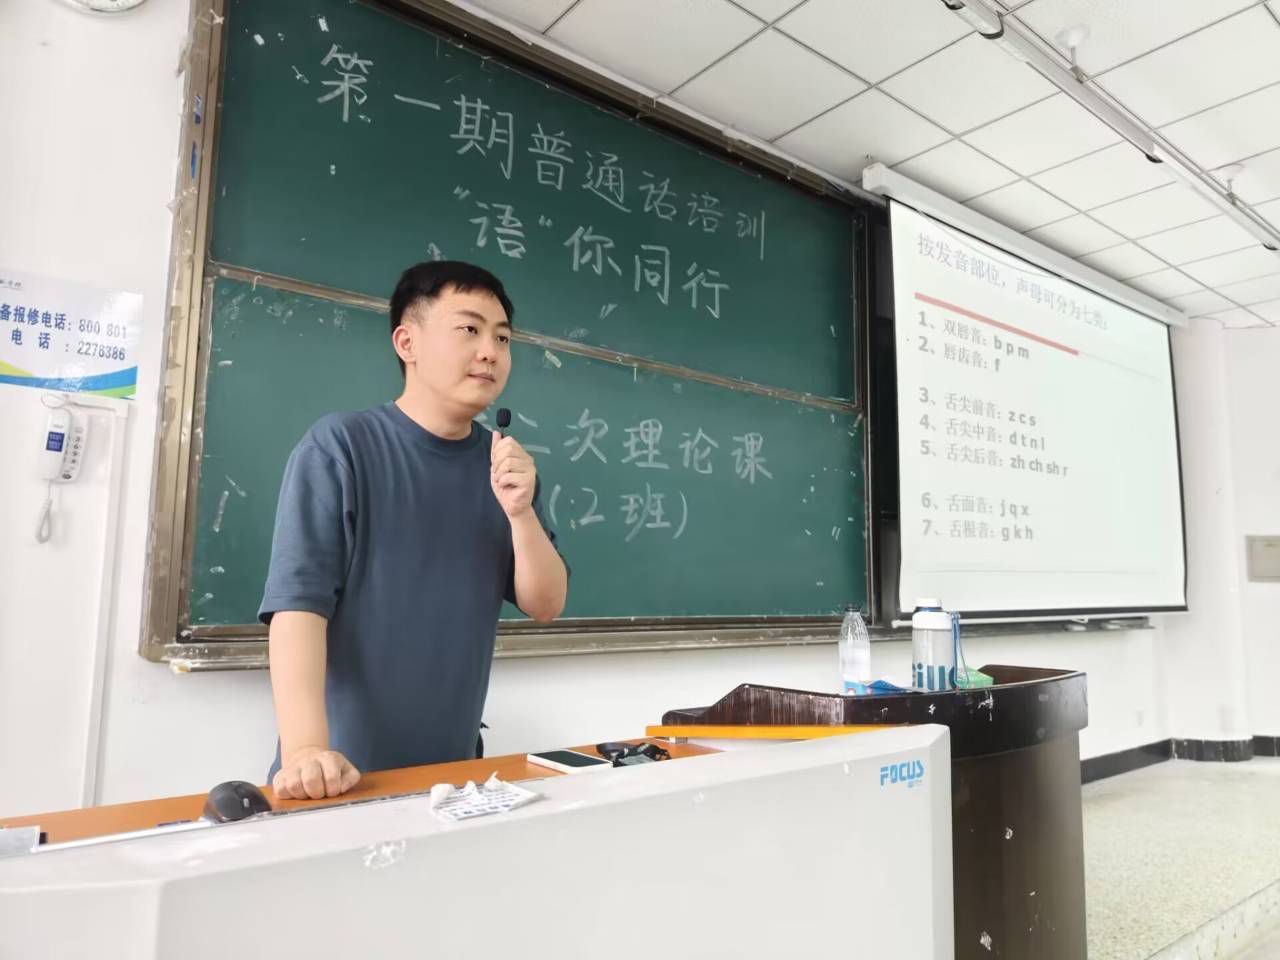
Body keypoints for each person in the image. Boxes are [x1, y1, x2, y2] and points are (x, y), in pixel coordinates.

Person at [259, 261, 568, 800]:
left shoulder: (505, 467)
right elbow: (298, 607)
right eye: (469, 329)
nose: (490, 352)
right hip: (338, 778)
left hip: (454, 780)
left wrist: (520, 513)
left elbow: (546, 603)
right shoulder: (341, 446)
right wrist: (305, 749)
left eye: (502, 338)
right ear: (407, 342)